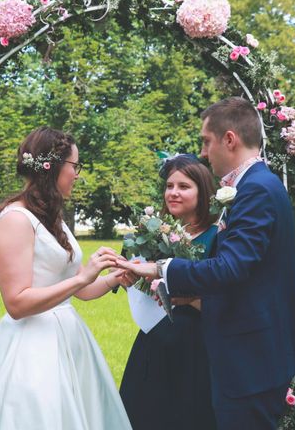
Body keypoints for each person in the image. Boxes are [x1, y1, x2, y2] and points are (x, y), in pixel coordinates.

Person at [117, 97, 295, 429]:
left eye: (207, 142)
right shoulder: (256, 185)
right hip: (249, 354)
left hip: (251, 358)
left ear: (230, 139)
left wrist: (160, 269)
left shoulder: (256, 191)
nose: (204, 153)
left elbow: (230, 267)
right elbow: (247, 275)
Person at [0, 127, 132, 430]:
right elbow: (17, 303)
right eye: (75, 166)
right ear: (54, 166)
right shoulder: (16, 220)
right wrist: (83, 277)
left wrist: (114, 277)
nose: (77, 174)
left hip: (69, 340)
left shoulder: (51, 217)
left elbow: (81, 292)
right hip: (32, 347)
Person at [120, 154, 218, 430]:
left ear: (204, 191)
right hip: (154, 340)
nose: (173, 193)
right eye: (169, 186)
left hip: (195, 348)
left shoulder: (216, 237)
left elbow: (225, 297)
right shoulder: (154, 235)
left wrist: (189, 297)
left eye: (184, 186)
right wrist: (131, 278)